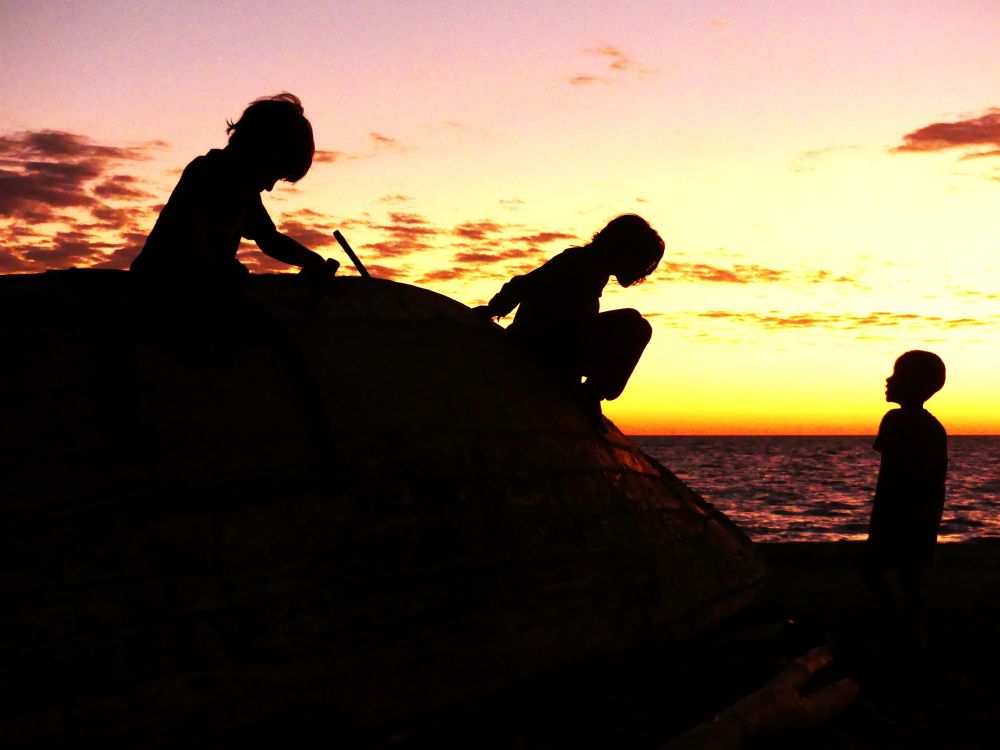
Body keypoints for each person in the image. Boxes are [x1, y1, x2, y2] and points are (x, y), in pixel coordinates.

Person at [477, 214, 663, 427]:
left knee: (636, 325)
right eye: (639, 259)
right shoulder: (578, 261)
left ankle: (590, 392)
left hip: (558, 346)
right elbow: (524, 284)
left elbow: (576, 324)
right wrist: (494, 309)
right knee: (635, 325)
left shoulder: (593, 268)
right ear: (623, 250)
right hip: (540, 345)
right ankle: (591, 393)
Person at [130, 92, 338, 284]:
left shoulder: (245, 191)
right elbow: (189, 239)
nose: (269, 187)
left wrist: (312, 261)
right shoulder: (207, 173)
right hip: (160, 287)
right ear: (260, 151)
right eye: (272, 173)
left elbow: (269, 239)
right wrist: (223, 269)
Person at [864, 350, 948, 647]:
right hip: (922, 511)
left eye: (897, 375)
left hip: (897, 509)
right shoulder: (933, 426)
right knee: (911, 578)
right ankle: (909, 630)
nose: (888, 380)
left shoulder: (895, 420)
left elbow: (897, 469)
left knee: (875, 571)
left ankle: (900, 629)